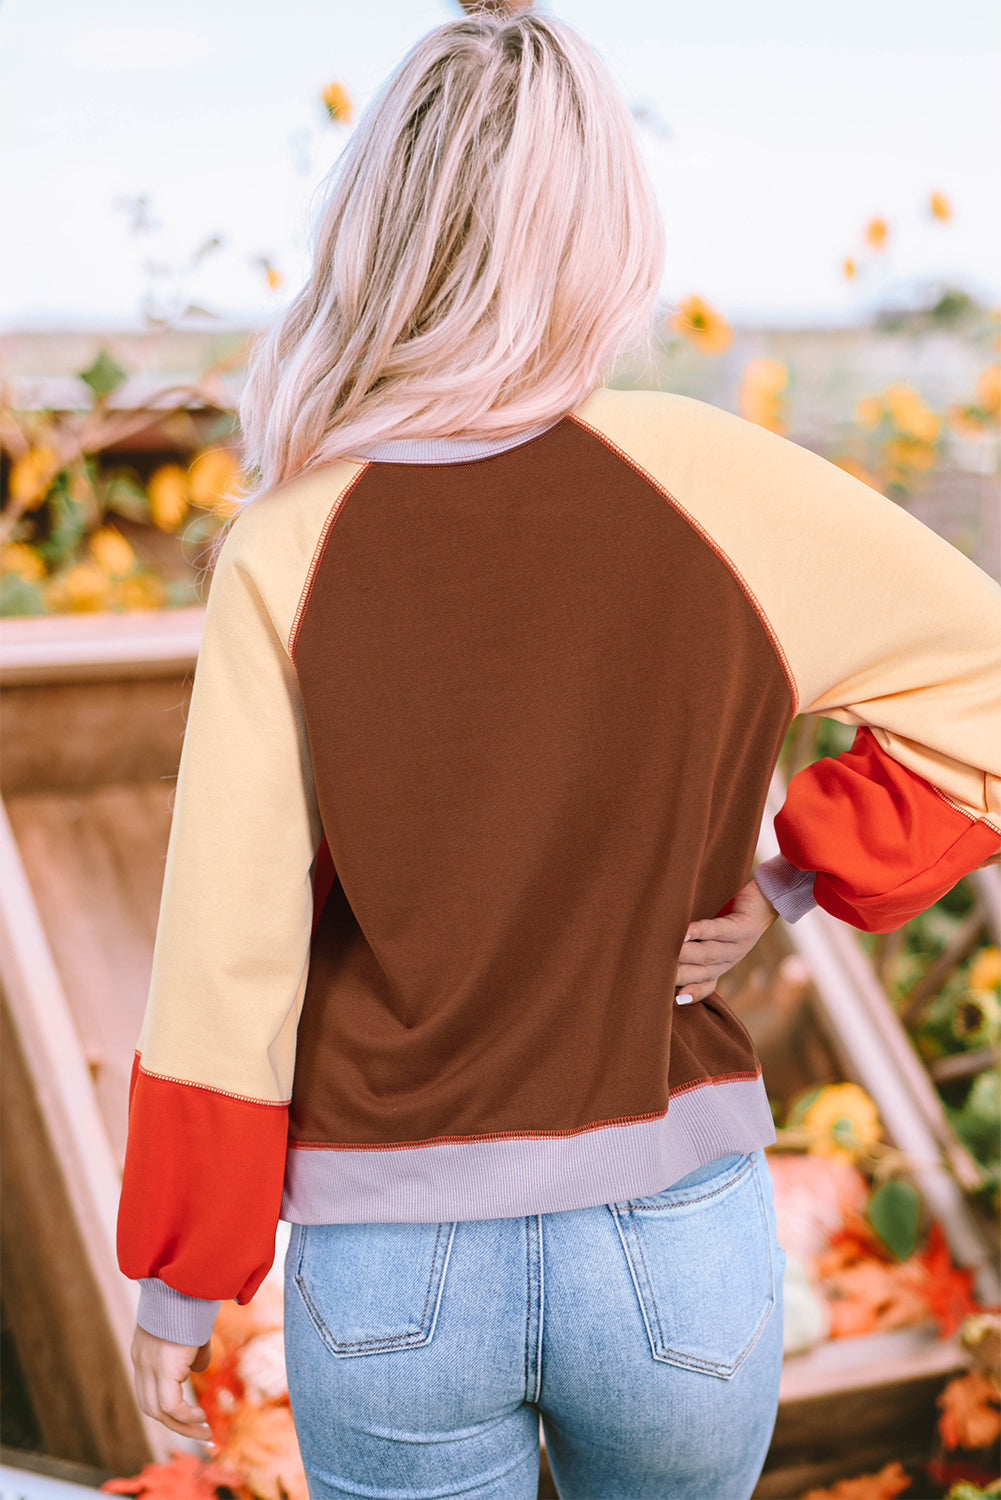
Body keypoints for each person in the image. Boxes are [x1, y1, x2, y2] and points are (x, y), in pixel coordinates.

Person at [117, 11, 1001, 1498]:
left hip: (393, 1264)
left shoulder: (285, 547)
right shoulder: (717, 482)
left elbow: (227, 958)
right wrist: (790, 873)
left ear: (380, 229)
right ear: (606, 228)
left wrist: (177, 1286)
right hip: (679, 1247)